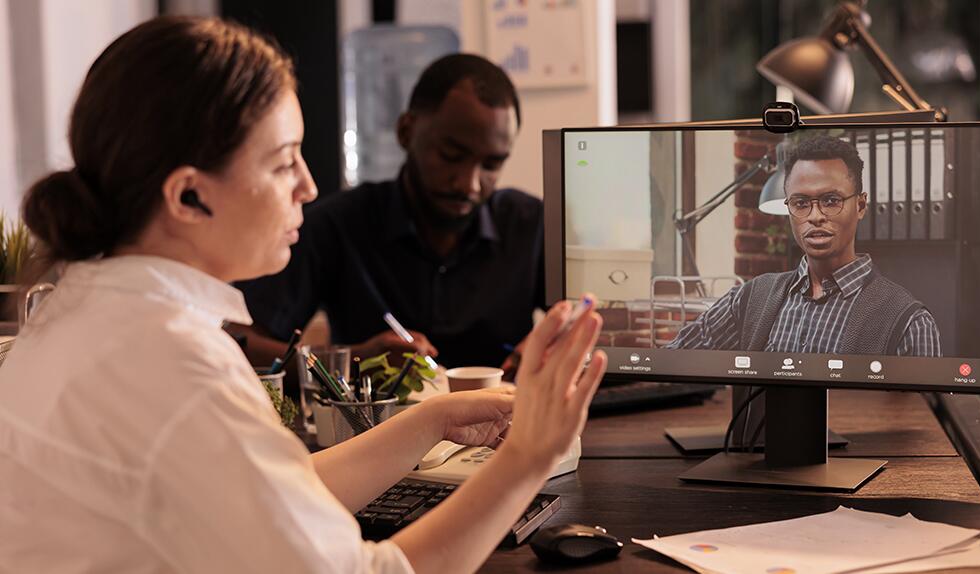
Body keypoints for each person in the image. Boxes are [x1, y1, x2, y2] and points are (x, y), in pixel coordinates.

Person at [0, 17, 607, 574]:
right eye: (285, 162)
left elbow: (275, 489)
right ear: (188, 197)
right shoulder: (174, 366)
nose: (309, 187)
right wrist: (528, 457)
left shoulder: (75, 312)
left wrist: (434, 418)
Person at [235, 53, 543, 372]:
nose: (470, 184)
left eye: (492, 165)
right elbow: (238, 340)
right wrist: (354, 359)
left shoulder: (530, 224)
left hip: (511, 420)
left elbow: (594, 325)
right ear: (406, 131)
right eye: (451, 155)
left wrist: (554, 346)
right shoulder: (338, 225)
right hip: (378, 422)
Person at [668, 135, 941, 356]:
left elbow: (927, 421)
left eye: (831, 201)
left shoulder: (909, 323)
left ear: (860, 205)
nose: (815, 215)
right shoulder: (749, 299)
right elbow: (672, 360)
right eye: (800, 203)